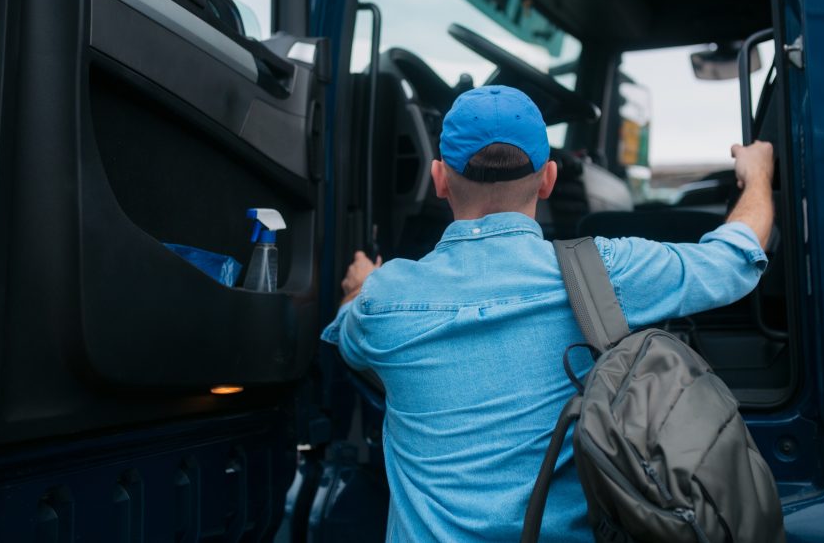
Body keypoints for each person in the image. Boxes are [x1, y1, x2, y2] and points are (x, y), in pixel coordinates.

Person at [322, 85, 774, 542]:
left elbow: (346, 330)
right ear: (549, 179)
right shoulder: (606, 269)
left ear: (440, 178)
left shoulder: (384, 301)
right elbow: (735, 260)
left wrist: (361, 284)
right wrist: (756, 175)